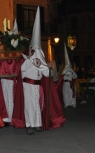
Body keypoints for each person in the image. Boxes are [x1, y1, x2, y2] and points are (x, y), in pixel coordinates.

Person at [11, 7, 65, 135]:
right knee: (29, 106)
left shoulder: (41, 58)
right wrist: (30, 59)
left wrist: (41, 64)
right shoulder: (26, 58)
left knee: (38, 104)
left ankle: (37, 124)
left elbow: (46, 73)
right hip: (28, 85)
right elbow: (22, 70)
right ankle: (30, 125)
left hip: (38, 86)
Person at [61, 43, 78, 108]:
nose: (69, 67)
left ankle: (73, 103)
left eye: (70, 66)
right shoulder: (64, 71)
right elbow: (62, 76)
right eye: (68, 66)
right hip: (66, 84)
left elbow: (75, 76)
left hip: (71, 83)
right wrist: (65, 71)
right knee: (66, 94)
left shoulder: (72, 71)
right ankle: (67, 103)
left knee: (72, 93)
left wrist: (73, 72)